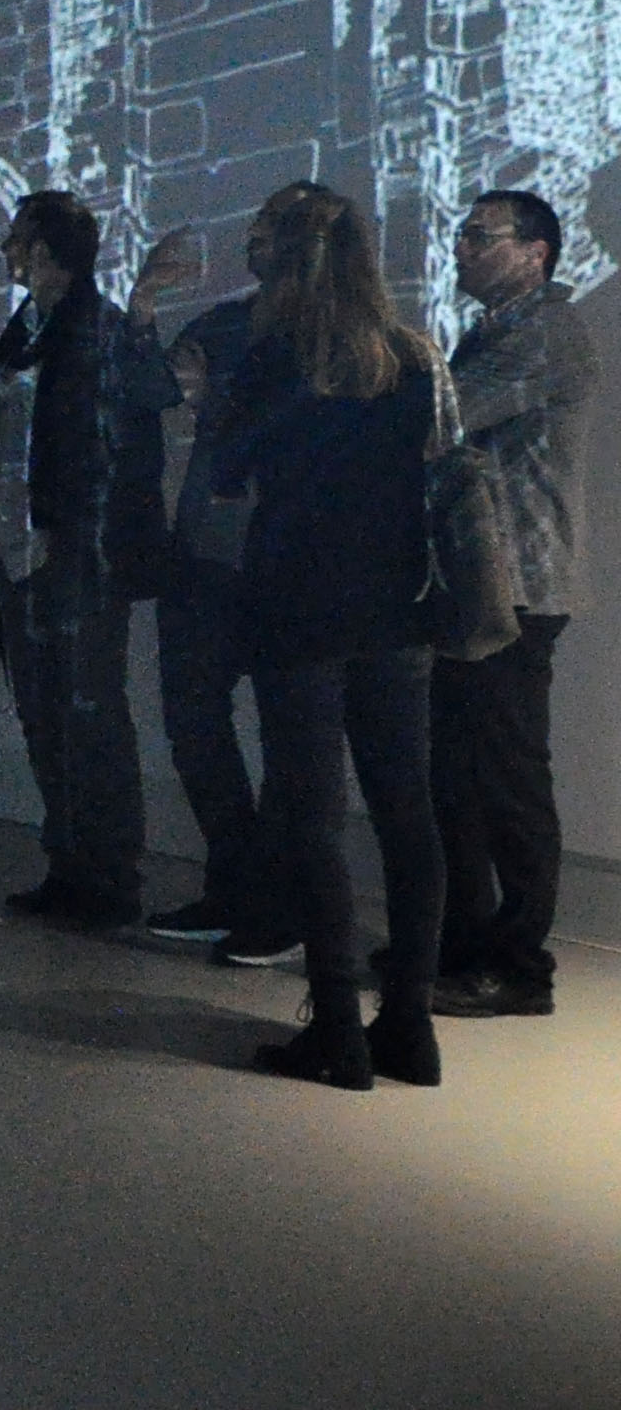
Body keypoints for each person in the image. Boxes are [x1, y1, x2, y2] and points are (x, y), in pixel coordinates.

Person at [216, 190, 445, 1091]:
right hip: (395, 607)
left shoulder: (276, 357)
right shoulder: (409, 357)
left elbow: (229, 472)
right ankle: (411, 1026)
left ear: (284, 256)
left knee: (313, 819)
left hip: (300, 607)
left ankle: (339, 1030)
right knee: (406, 811)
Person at [0, 192, 173, 928]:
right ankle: (69, 865)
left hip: (80, 556)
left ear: (46, 249)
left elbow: (146, 407)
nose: (6, 250)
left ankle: (110, 877)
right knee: (42, 712)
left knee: (89, 714)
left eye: (17, 238)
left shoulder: (100, 327)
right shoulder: (26, 327)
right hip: (22, 549)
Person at [150, 183, 330, 967]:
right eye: (255, 223)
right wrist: (146, 305)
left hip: (289, 561)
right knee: (194, 719)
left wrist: (218, 395)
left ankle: (279, 905)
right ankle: (237, 884)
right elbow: (157, 388)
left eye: (271, 225)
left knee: (291, 740)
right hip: (206, 553)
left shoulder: (337, 335)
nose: (254, 236)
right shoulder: (224, 322)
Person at [433, 187, 593, 1019]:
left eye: (479, 236)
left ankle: (520, 967)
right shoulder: (493, 330)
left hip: (518, 588)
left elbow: (449, 417)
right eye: (461, 234)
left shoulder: (545, 332)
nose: (462, 248)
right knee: (457, 777)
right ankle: (463, 946)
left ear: (536, 252)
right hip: (479, 584)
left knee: (505, 778)